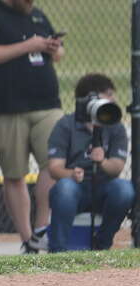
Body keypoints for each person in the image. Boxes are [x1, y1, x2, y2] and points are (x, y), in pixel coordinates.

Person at [0, 0, 63, 253]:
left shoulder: (38, 17)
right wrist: (27, 47)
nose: (31, 1)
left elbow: (58, 53)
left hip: (46, 105)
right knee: (15, 175)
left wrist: (54, 49)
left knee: (55, 165)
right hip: (5, 109)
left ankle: (42, 228)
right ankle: (28, 240)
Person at [46, 74, 133, 251]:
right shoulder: (66, 125)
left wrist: (102, 161)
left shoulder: (115, 126)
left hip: (103, 188)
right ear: (89, 98)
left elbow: (117, 167)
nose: (113, 99)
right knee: (64, 188)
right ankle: (57, 252)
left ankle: (102, 245)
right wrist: (71, 174)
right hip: (75, 188)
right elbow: (54, 168)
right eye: (108, 94)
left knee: (124, 189)